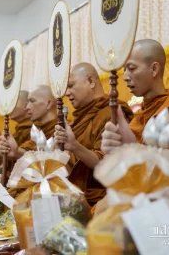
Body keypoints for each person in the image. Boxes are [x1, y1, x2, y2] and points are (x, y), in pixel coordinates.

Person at [54, 63, 134, 206]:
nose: (67, 93)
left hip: (101, 201)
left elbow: (109, 164)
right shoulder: (77, 120)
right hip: (72, 197)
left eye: (71, 85)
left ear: (91, 81)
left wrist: (74, 146)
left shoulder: (111, 114)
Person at [101, 39, 169, 154]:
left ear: (154, 69)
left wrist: (132, 149)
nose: (125, 77)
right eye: (125, 70)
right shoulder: (139, 115)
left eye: (132, 68)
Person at [0, 85, 57, 159]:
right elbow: (30, 152)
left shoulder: (62, 130)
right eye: (27, 103)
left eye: (32, 101)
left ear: (48, 104)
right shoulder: (37, 131)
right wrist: (15, 151)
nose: (27, 107)